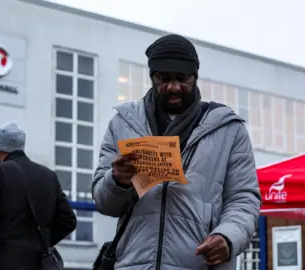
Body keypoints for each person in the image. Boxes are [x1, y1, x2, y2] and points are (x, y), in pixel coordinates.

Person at [92, 34, 261, 270]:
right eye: (163, 79)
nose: (173, 87)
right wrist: (117, 181)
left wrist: (227, 237)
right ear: (152, 77)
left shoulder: (229, 129)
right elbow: (104, 203)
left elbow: (243, 199)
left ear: (195, 77)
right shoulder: (122, 123)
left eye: (182, 79)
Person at [0, 122, 77, 269]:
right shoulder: (48, 176)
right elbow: (68, 220)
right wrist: (42, 242)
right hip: (39, 262)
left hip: (3, 262)